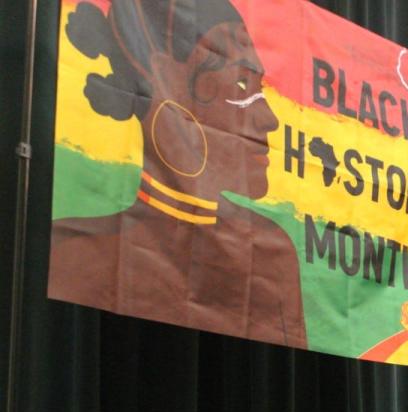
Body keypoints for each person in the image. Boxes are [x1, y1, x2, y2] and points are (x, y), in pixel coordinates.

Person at [49, 0, 307, 349]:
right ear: (169, 83)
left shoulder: (272, 256)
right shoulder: (73, 252)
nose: (270, 119)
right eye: (244, 90)